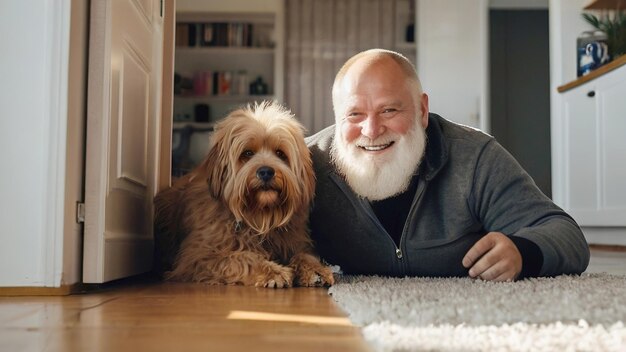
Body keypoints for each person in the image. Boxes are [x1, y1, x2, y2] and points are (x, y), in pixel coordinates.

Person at [305, 49, 590, 281]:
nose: (371, 129)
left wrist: (522, 253)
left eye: (389, 110)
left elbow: (565, 233)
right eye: (354, 114)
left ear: (422, 110)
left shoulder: (475, 157)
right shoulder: (306, 163)